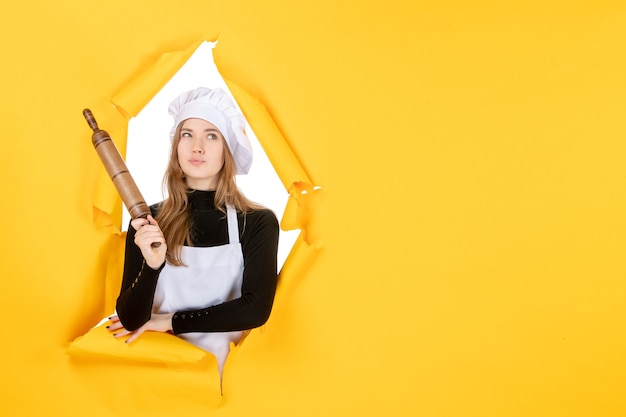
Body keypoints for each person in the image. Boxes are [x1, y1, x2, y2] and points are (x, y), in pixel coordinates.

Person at [107, 87, 279, 374]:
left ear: (228, 149)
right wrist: (152, 266)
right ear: (176, 146)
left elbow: (255, 309)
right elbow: (131, 319)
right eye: (187, 134)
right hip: (156, 372)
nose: (197, 146)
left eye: (211, 135)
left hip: (224, 379)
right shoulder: (150, 220)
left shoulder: (258, 222)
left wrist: (170, 320)